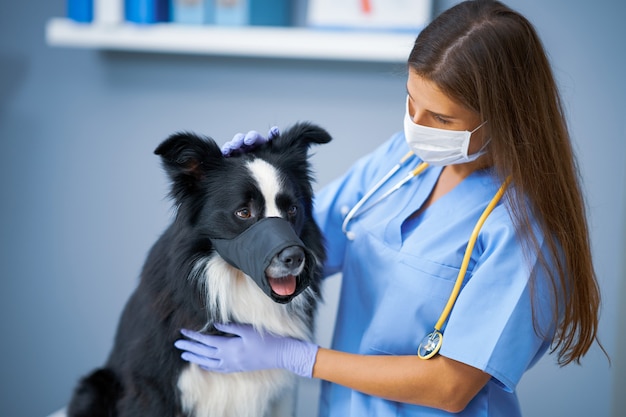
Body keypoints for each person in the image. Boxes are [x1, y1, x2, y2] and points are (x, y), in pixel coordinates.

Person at [174, 1, 604, 415]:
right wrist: (250, 183)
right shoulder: (400, 162)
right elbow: (294, 250)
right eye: (411, 101)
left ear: (505, 117)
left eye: (441, 119)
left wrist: (301, 358)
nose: (416, 126)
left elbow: (450, 387)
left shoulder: (525, 232)